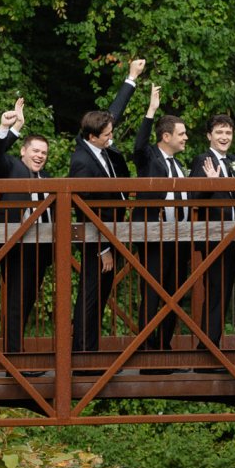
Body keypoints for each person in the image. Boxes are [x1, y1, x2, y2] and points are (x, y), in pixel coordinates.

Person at [67, 58, 145, 356]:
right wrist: (103, 248)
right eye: (107, 135)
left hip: (111, 232)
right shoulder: (82, 162)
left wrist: (131, 78)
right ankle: (83, 351)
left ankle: (88, 346)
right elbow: (84, 208)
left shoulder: (98, 144)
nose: (112, 137)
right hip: (96, 238)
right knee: (91, 293)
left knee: (100, 292)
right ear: (91, 137)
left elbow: (113, 114)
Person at [0, 97, 54, 356]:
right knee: (15, 301)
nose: (39, 156)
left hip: (41, 248)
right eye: (35, 151)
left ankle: (17, 348)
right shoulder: (11, 167)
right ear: (24, 151)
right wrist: (9, 128)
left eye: (43, 153)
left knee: (27, 301)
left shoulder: (46, 178)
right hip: (15, 246)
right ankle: (13, 354)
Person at [131, 85, 193, 360]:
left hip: (179, 240)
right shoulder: (150, 159)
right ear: (166, 136)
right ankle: (145, 350)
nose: (186, 138)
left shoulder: (180, 166)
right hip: (153, 238)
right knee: (153, 295)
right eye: (181, 134)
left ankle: (163, 347)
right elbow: (139, 145)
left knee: (175, 295)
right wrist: (151, 110)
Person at [189, 113, 235, 348]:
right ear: (209, 135)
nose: (224, 137)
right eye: (219, 132)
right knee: (216, 292)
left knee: (224, 293)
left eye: (228, 133)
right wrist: (211, 184)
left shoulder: (234, 161)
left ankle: (210, 344)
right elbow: (194, 197)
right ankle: (206, 348)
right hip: (214, 238)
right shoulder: (202, 160)